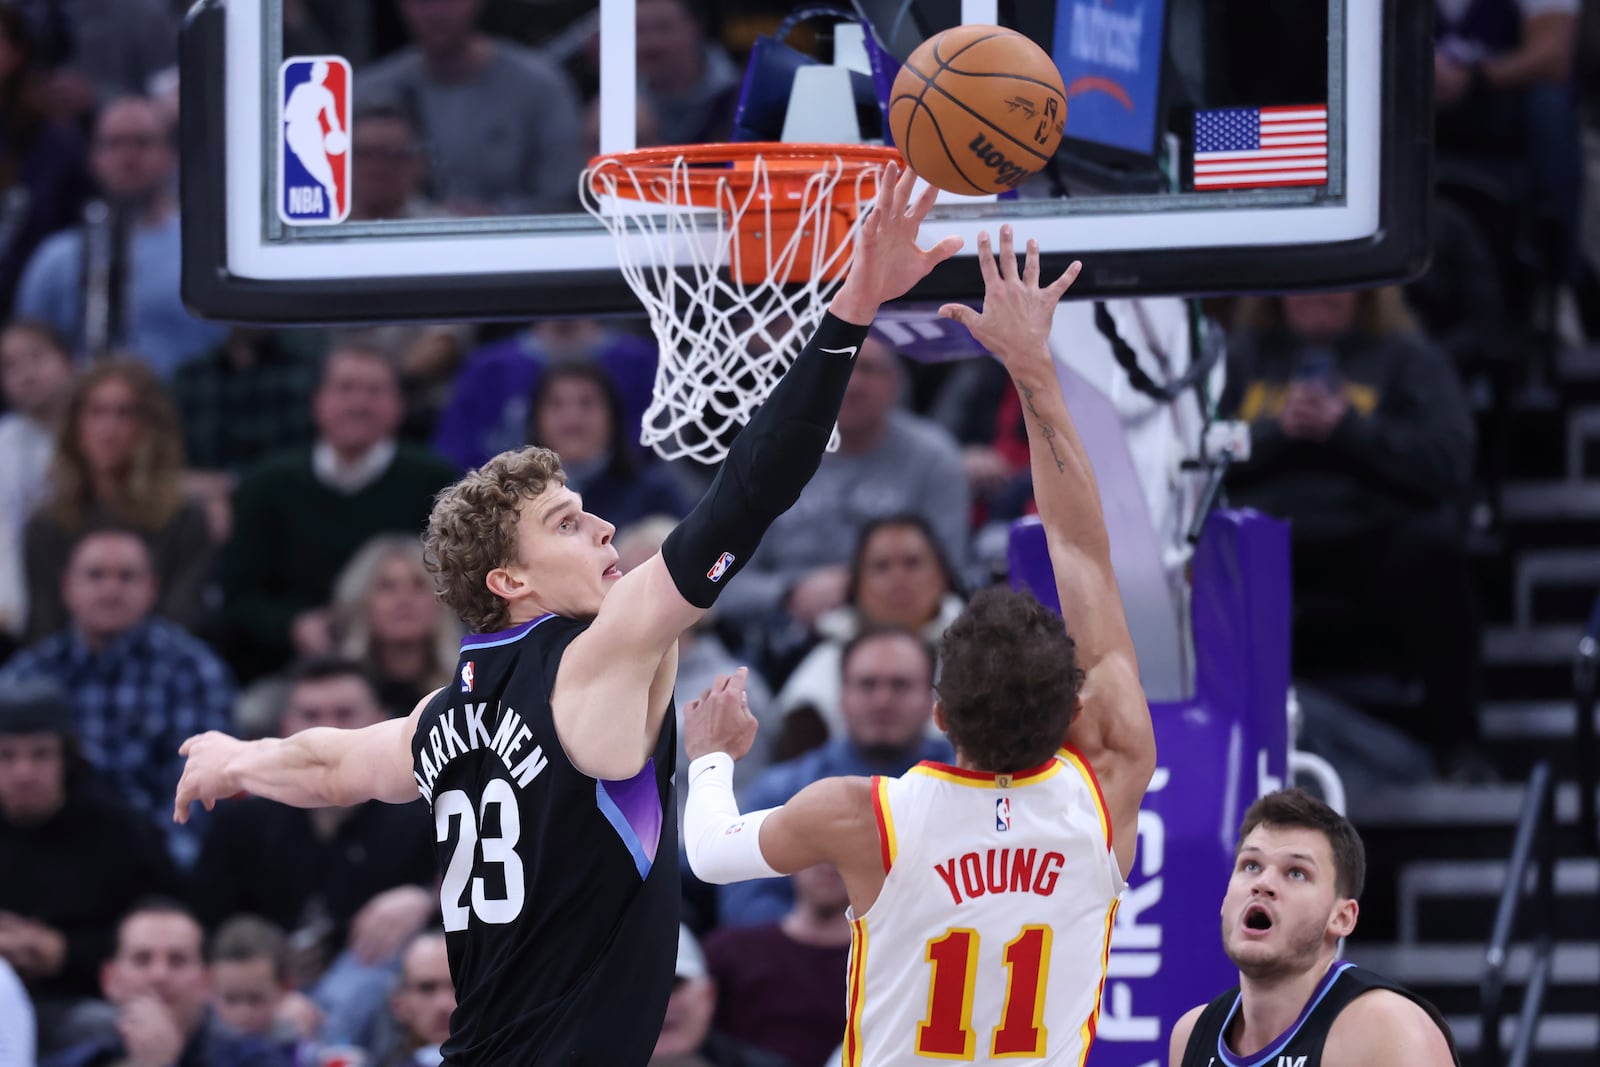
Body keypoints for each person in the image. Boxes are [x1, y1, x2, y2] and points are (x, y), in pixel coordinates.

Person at [171, 163, 963, 1063]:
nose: (603, 526)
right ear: (510, 578)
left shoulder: (442, 716)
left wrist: (235, 756)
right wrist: (851, 306)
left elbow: (328, 764)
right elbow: (745, 496)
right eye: (566, 522)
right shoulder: (594, 658)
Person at [679, 227, 1157, 1065]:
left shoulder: (866, 812)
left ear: (939, 712)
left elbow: (711, 854)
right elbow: (1081, 547)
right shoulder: (1109, 769)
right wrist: (1032, 364)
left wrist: (712, 755)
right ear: (1074, 706)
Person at [1168, 789, 1459, 1067]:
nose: (1263, 884)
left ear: (1342, 918)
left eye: (1296, 872)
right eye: (1251, 866)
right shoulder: (1191, 1034)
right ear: (1225, 899)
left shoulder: (1387, 1028)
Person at [45, 900, 292, 1067]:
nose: (159, 975)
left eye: (178, 960)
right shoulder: (85, 1054)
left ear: (206, 982)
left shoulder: (256, 1057)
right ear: (110, 980)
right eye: (142, 960)